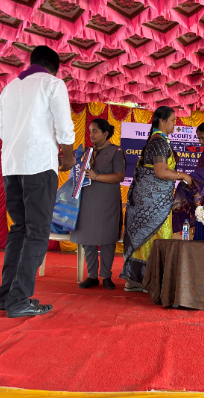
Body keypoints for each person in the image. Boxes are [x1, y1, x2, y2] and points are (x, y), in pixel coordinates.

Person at [0, 46, 76, 318]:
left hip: (11, 166)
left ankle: (6, 296)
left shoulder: (9, 88)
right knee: (38, 232)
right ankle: (18, 300)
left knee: (19, 229)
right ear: (55, 67)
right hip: (39, 164)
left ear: (32, 63)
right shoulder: (52, 84)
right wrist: (68, 156)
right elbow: (64, 127)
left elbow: (3, 132)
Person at [120, 106, 193, 291]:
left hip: (149, 202)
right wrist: (183, 176)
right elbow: (161, 172)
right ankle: (150, 281)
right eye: (173, 120)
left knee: (144, 237)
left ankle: (135, 280)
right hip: (154, 204)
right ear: (162, 121)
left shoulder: (157, 140)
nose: (175, 124)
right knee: (156, 237)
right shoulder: (159, 142)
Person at [71, 119, 126, 290]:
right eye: (90, 131)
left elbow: (120, 176)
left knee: (107, 238)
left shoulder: (116, 151)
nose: (91, 134)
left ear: (105, 133)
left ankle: (106, 276)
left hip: (107, 201)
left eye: (95, 131)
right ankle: (92, 276)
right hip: (87, 200)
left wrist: (97, 177)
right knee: (88, 238)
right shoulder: (87, 152)